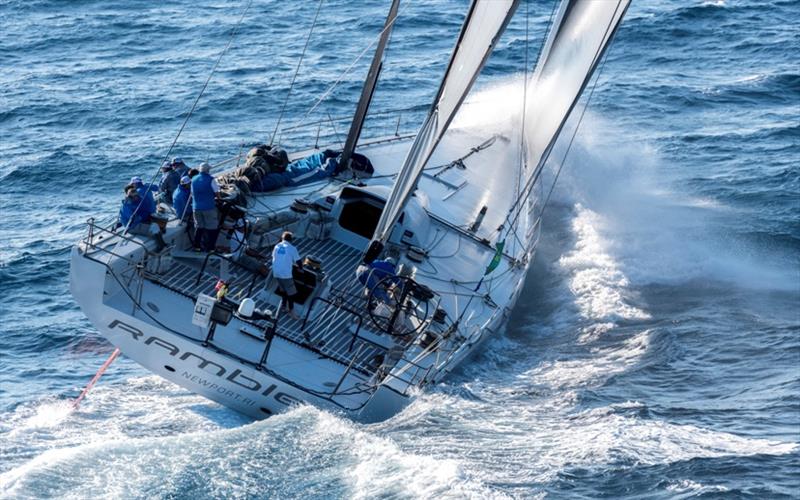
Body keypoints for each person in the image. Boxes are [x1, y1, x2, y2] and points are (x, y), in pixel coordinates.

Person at [118, 186, 166, 251]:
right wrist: (143, 217)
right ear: (127, 195)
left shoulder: (138, 199)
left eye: (135, 191)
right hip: (132, 226)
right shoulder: (126, 205)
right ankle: (161, 245)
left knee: (162, 222)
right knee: (155, 228)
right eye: (132, 192)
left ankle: (160, 235)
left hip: (141, 220)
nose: (135, 193)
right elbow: (133, 219)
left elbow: (149, 208)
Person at [271, 231, 301, 319]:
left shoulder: (277, 246)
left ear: (283, 238)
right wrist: (300, 268)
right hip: (285, 274)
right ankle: (291, 311)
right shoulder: (292, 248)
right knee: (291, 293)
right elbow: (298, 261)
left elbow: (274, 257)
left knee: (284, 290)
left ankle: (283, 306)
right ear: (291, 240)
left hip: (276, 272)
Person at [191, 162, 220, 252]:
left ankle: (197, 247)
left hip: (196, 208)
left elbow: (192, 193)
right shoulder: (211, 179)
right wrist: (219, 198)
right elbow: (217, 193)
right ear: (208, 170)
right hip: (208, 208)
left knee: (199, 227)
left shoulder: (193, 179)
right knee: (212, 228)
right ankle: (210, 248)